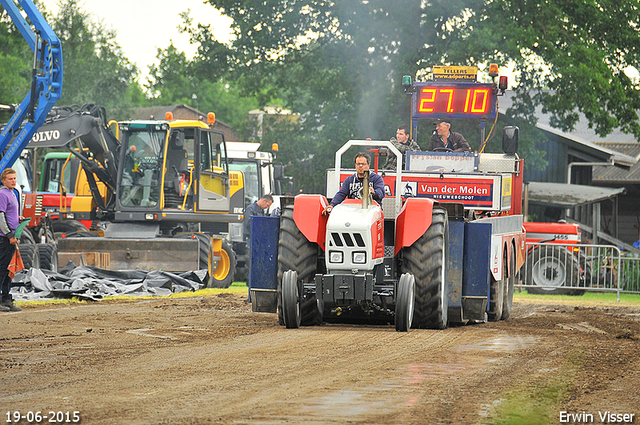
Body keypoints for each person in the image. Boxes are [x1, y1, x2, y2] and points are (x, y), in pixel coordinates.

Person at [0, 168, 21, 312]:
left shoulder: (13, 193)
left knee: (9, 269)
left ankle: (7, 298)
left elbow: (10, 214)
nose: (13, 181)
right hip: (5, 239)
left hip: (13, 237)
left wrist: (19, 219)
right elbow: (0, 216)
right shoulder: (2, 194)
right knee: (2, 269)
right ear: (3, 181)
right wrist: (9, 236)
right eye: (10, 179)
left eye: (14, 178)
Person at [243, 194, 274, 292]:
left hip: (259, 239)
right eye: (268, 205)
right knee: (251, 261)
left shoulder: (261, 211)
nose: (267, 208)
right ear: (264, 200)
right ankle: (250, 283)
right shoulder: (250, 209)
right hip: (251, 238)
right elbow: (248, 224)